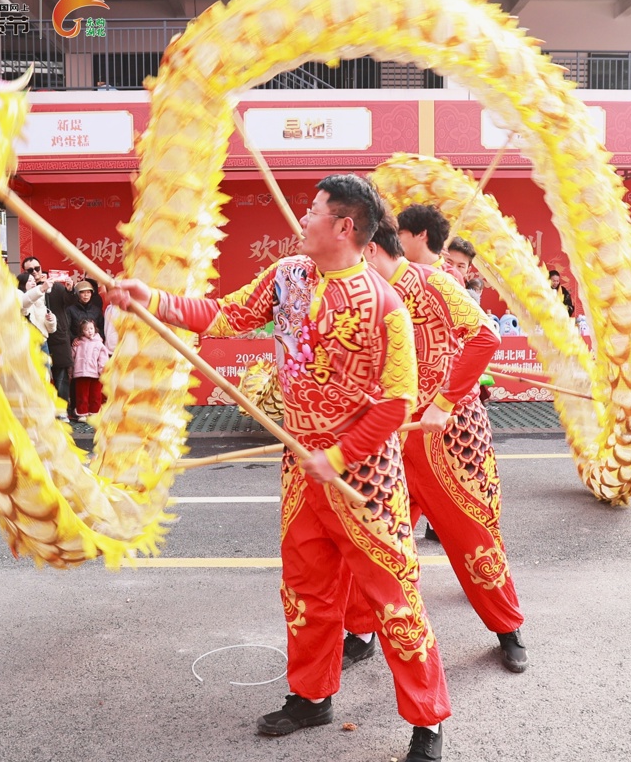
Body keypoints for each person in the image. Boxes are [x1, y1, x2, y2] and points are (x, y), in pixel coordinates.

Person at [108, 174, 450, 762]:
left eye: (314, 211)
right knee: (306, 590)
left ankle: (427, 722)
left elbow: (397, 403)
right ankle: (311, 697)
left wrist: (337, 455)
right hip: (300, 469)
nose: (303, 219)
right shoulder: (288, 275)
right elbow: (225, 314)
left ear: (344, 226)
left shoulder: (385, 305)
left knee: (394, 601)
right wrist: (153, 300)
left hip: (364, 478)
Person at [348, 212, 529, 675]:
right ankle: (362, 631)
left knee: (473, 534)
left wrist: (444, 402)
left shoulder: (435, 283)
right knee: (376, 538)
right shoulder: (362, 293)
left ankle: (507, 628)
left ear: (373, 248)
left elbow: (485, 337)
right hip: (391, 435)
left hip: (447, 433)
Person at [22, 257, 76, 421]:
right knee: (39, 376)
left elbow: (69, 301)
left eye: (37, 268)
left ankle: (61, 410)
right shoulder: (25, 289)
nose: (35, 272)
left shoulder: (56, 286)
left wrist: (69, 290)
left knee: (61, 375)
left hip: (58, 336)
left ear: (41, 267)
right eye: (30, 270)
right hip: (36, 339)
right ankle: (41, 411)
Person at [396, 204, 462, 283]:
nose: (396, 239)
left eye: (399, 234)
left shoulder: (451, 276)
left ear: (421, 234)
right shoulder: (395, 265)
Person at [70, 318, 110, 421]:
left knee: (95, 395)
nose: (89, 331)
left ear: (95, 329)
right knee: (81, 394)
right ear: (82, 331)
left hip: (95, 374)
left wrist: (102, 371)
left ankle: (94, 412)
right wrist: (71, 370)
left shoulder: (99, 343)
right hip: (81, 373)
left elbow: (103, 359)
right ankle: (82, 413)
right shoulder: (78, 343)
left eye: (91, 328)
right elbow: (72, 357)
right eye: (86, 329)